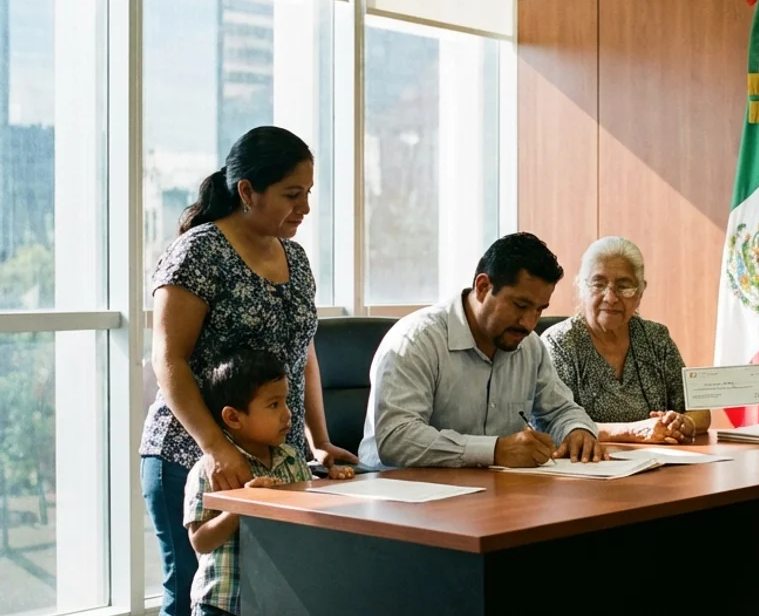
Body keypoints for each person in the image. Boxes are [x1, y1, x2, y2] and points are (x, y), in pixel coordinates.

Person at [140, 126, 358, 616]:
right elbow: (167, 358)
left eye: (308, 194)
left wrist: (317, 439)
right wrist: (216, 450)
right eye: (291, 194)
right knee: (195, 594)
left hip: (273, 455)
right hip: (189, 455)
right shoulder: (200, 251)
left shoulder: (296, 258)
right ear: (246, 192)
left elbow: (302, 353)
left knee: (267, 593)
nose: (303, 207)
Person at [357, 232, 606, 469]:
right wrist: (494, 451)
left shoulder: (529, 346)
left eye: (539, 310)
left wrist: (577, 431)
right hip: (401, 495)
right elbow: (396, 438)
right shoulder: (417, 340)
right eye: (520, 305)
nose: (529, 323)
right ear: (483, 286)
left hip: (493, 490)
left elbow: (561, 410)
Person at [184, 349, 353, 616]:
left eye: (285, 402)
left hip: (277, 599)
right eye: (274, 405)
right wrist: (242, 507)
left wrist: (332, 486)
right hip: (224, 603)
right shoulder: (209, 471)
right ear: (233, 418)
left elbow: (308, 518)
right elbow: (200, 541)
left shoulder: (292, 459)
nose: (287, 414)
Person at [542, 236, 711, 444]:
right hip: (590, 465)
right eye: (599, 284)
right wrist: (633, 431)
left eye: (624, 286)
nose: (611, 297)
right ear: (581, 287)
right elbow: (553, 422)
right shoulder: (560, 343)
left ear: (640, 293)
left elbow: (699, 409)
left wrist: (683, 422)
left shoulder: (655, 338)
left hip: (660, 462)